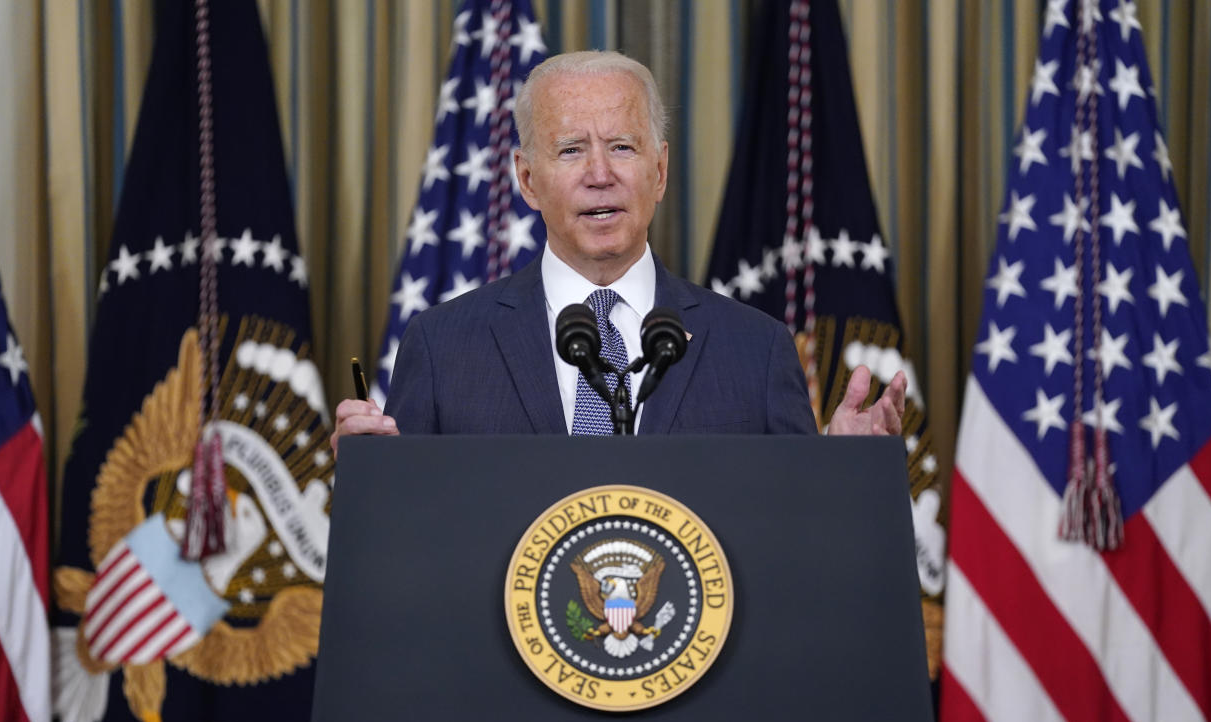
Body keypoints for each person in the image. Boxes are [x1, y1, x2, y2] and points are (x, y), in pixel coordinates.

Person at [332, 50, 905, 452]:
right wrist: (369, 477)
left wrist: (840, 474)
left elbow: (792, 535)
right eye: (572, 149)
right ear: (528, 181)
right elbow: (403, 541)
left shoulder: (756, 351)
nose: (600, 174)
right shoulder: (442, 347)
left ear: (659, 170)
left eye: (622, 147)